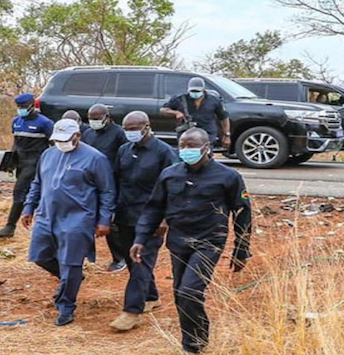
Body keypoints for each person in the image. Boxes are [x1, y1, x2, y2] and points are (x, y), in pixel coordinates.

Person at [130, 128, 252, 354]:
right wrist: (140, 238)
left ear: (207, 148)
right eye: (182, 146)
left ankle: (194, 345)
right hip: (178, 241)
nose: (186, 150)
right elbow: (153, 208)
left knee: (189, 291)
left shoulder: (228, 177)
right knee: (180, 293)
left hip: (209, 242)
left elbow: (243, 213)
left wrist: (241, 250)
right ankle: (193, 338)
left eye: (192, 146)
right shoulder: (169, 174)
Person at [21, 119, 116, 326]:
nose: (61, 143)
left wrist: (104, 220)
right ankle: (71, 278)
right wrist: (29, 207)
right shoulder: (48, 155)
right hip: (47, 215)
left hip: (78, 218)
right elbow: (37, 183)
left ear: (77, 136)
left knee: (71, 263)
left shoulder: (95, 159)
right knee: (39, 255)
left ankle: (66, 305)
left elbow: (107, 191)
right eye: (57, 140)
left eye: (65, 140)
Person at [109, 111, 179, 331]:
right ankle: (151, 296)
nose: (130, 133)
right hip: (125, 215)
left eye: (134, 129)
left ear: (147, 127)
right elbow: (116, 182)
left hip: (151, 219)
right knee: (132, 261)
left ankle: (132, 311)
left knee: (140, 261)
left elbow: (174, 189)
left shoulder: (164, 153)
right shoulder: (123, 151)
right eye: (126, 129)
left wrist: (165, 219)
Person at [0, 93, 54, 238]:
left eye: (24, 107)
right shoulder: (16, 121)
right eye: (19, 107)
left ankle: (10, 227)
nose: (21, 109)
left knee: (20, 192)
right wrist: (10, 161)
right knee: (31, 194)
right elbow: (16, 143)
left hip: (36, 161)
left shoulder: (45, 123)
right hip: (21, 161)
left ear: (32, 106)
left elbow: (54, 145)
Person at [82, 104, 127, 272]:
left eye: (97, 119)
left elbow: (124, 156)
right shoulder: (88, 133)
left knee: (110, 221)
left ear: (107, 117)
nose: (94, 122)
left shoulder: (118, 134)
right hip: (90, 182)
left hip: (111, 181)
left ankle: (120, 257)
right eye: (91, 119)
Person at [161, 77, 230, 148]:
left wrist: (226, 135)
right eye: (192, 91)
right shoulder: (180, 99)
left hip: (207, 134)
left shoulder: (213, 100)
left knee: (205, 156)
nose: (195, 93)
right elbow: (163, 110)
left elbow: (224, 117)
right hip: (187, 136)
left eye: (197, 91)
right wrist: (175, 113)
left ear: (203, 89)